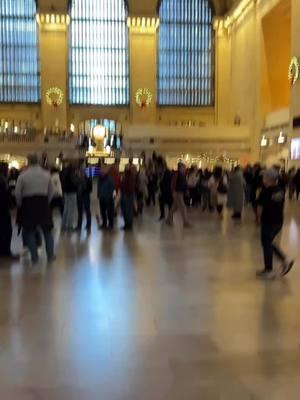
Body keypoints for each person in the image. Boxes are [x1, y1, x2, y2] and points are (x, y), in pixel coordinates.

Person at [15, 154, 55, 265]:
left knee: (29, 231)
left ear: (28, 161)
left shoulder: (23, 176)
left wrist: (20, 204)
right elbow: (52, 191)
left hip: (28, 205)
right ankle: (50, 255)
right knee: (47, 231)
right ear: (38, 161)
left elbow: (18, 193)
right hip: (43, 203)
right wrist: (47, 201)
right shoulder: (46, 175)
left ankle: (34, 256)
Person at [256, 168, 294, 279]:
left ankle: (270, 269)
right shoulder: (279, 190)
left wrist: (258, 218)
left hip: (268, 221)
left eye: (264, 177)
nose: (263, 179)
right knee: (268, 243)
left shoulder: (265, 190)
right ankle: (284, 261)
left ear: (268, 179)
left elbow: (259, 205)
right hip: (278, 221)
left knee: (266, 243)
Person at [166, 162, 189, 227]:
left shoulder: (182, 174)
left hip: (180, 193)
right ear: (180, 168)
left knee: (174, 207)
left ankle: (168, 219)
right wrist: (173, 192)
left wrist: (186, 190)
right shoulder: (177, 173)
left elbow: (184, 184)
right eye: (183, 167)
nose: (184, 168)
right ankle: (185, 222)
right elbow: (173, 183)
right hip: (177, 193)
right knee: (183, 207)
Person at [0, 163, 15, 258]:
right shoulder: (2, 180)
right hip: (2, 209)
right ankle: (5, 252)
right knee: (6, 230)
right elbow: (5, 195)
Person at [61, 163, 78, 231]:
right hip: (72, 192)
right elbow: (75, 182)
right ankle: (70, 226)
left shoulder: (64, 173)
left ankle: (63, 224)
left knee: (66, 209)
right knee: (71, 210)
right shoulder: (71, 174)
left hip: (66, 192)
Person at [97, 165, 115, 230]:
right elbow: (99, 187)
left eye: (103, 171)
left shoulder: (110, 179)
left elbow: (113, 188)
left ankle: (111, 224)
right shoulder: (100, 179)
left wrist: (110, 196)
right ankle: (104, 223)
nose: (101, 172)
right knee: (103, 211)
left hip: (108, 198)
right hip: (102, 197)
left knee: (109, 211)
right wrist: (98, 195)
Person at [77, 165, 92, 232]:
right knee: (80, 211)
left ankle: (88, 225)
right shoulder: (79, 178)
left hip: (85, 196)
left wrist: (84, 187)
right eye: (80, 171)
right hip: (80, 196)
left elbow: (89, 189)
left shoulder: (88, 179)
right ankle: (79, 225)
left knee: (87, 210)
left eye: (82, 171)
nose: (81, 172)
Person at [157, 157, 173, 221]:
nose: (160, 168)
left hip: (168, 189)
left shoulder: (168, 172)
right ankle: (162, 215)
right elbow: (159, 180)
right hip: (162, 189)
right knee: (161, 203)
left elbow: (168, 181)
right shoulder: (160, 172)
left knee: (169, 203)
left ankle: (170, 216)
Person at [120, 165, 136, 231]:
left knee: (126, 210)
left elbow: (125, 186)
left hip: (127, 194)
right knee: (128, 210)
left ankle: (128, 225)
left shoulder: (128, 177)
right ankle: (128, 224)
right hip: (129, 194)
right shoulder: (131, 176)